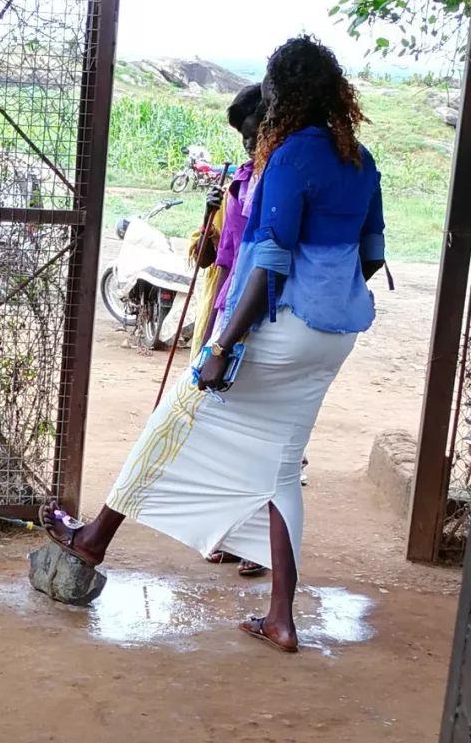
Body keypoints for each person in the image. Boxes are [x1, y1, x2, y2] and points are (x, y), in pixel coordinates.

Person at [39, 36, 386, 654]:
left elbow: (269, 263)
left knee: (176, 417)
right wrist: (321, 304)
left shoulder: (288, 158)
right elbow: (371, 256)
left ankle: (93, 539)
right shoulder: (359, 159)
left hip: (276, 326)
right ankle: (281, 616)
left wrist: (226, 342)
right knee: (282, 464)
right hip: (334, 337)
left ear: (280, 93)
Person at [187, 83, 268, 579]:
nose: (247, 144)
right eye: (242, 136)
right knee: (220, 426)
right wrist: (210, 215)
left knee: (258, 432)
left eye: (253, 132)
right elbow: (210, 251)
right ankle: (229, 535)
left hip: (254, 318)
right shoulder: (241, 178)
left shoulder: (277, 178)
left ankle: (254, 543)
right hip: (222, 308)